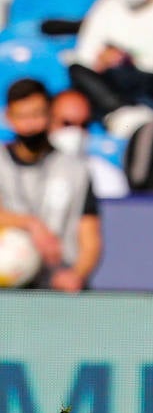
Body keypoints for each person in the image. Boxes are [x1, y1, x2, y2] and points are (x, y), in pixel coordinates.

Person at [0, 80, 102, 291]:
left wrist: (76, 274)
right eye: (22, 116)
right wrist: (30, 224)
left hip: (55, 286)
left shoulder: (76, 170)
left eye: (37, 114)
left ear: (50, 114)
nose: (30, 125)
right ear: (9, 118)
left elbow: (90, 237)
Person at [48, 88, 131, 200]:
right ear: (47, 122)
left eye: (84, 124)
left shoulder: (106, 174)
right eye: (67, 123)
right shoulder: (25, 169)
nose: (76, 131)